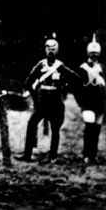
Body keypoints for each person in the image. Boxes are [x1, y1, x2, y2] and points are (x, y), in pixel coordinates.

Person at [16, 36, 80, 163]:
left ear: (57, 51)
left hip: (56, 101)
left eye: (53, 49)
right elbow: (28, 82)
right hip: (42, 102)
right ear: (45, 50)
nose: (51, 51)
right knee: (32, 123)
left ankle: (52, 157)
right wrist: (35, 98)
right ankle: (27, 155)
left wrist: (64, 87)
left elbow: (76, 78)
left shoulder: (61, 66)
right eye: (49, 49)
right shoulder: (41, 65)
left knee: (55, 129)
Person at [76, 34, 105, 164]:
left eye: (96, 53)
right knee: (89, 127)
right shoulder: (83, 68)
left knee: (97, 130)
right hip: (87, 103)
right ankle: (86, 155)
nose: (94, 55)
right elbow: (78, 87)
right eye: (92, 53)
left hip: (100, 103)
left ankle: (93, 155)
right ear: (88, 53)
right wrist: (81, 102)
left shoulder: (103, 68)